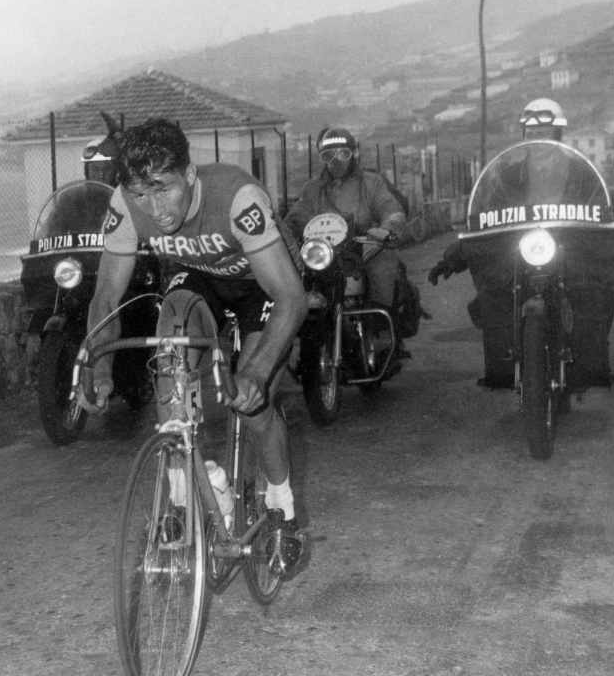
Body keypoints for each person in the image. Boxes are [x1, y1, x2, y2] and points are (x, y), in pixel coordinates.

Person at [78, 117, 308, 577]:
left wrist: (257, 373)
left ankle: (284, 509)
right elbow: (106, 297)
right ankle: (193, 485)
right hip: (199, 277)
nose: (155, 209)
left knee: (251, 406)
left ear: (189, 174)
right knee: (172, 335)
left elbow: (291, 298)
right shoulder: (126, 205)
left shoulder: (236, 197)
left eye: (163, 189)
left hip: (261, 282)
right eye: (141, 194)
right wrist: (97, 364)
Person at [428, 97, 614, 389]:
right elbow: (485, 217)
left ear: (557, 135)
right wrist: (454, 256)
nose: (538, 139)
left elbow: (604, 203)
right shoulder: (507, 176)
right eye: (532, 134)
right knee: (494, 295)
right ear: (524, 136)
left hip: (567, 247)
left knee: (595, 292)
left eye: (545, 133)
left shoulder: (581, 172)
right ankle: (506, 365)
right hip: (520, 250)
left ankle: (589, 363)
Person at [284, 127, 416, 360]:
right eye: (328, 156)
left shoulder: (371, 183)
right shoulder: (313, 189)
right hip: (326, 254)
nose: (335, 161)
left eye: (342, 153)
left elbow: (390, 207)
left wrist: (387, 228)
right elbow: (297, 216)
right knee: (298, 278)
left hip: (363, 247)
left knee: (383, 266)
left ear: (353, 153)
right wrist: (283, 233)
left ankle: (380, 328)